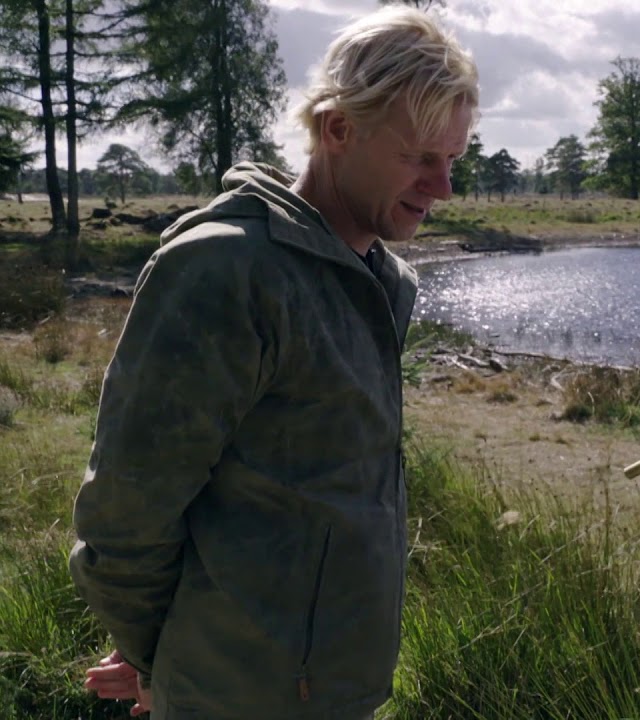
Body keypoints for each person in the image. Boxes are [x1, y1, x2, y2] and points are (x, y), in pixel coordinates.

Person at [68, 6, 479, 718]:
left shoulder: (384, 283)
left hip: (337, 692)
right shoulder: (226, 267)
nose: (443, 188)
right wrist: (163, 657)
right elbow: (124, 513)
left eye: (453, 161)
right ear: (338, 129)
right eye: (419, 157)